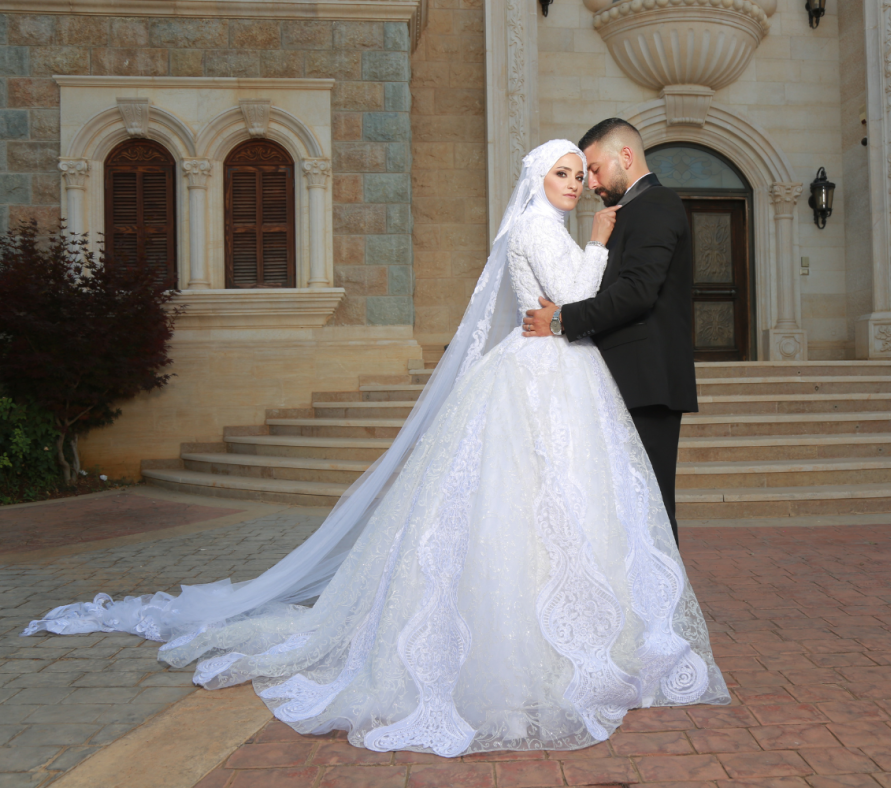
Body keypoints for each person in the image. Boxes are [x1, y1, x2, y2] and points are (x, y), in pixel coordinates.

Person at [23, 140, 729, 758]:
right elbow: (576, 287)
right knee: (535, 501)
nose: (577, 186)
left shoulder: (540, 223)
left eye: (581, 175)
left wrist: (587, 254)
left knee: (557, 500)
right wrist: (602, 238)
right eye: (566, 174)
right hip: (543, 373)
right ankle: (530, 656)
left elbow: (564, 301)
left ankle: (576, 633)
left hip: (553, 365)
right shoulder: (540, 228)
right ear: (539, 179)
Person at [523, 119, 695, 544]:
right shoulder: (628, 212)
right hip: (619, 381)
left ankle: (663, 610)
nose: (590, 183)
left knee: (650, 507)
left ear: (626, 156)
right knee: (622, 508)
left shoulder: (656, 205)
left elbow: (637, 293)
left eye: (595, 170)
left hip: (645, 382)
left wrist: (561, 320)